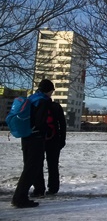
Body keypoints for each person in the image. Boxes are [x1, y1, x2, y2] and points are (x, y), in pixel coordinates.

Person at [11, 79, 55, 208]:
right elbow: (41, 121)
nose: (52, 94)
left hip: (26, 136)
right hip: (36, 137)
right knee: (32, 168)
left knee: (28, 167)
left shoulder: (31, 98)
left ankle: (20, 196)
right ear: (48, 90)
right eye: (52, 91)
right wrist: (46, 131)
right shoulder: (43, 101)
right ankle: (20, 198)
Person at [33, 100, 67, 196]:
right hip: (54, 139)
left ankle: (39, 188)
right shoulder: (56, 106)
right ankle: (53, 188)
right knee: (53, 164)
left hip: (38, 138)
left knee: (38, 164)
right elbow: (62, 124)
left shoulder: (36, 104)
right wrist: (62, 139)